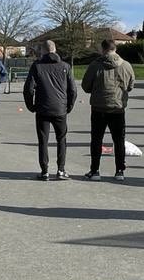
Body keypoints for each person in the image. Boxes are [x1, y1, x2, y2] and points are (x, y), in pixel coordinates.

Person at [23, 40, 78, 180]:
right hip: (60, 109)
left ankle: (45, 171)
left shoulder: (37, 66)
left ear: (43, 51)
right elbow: (73, 90)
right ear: (55, 50)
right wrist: (69, 106)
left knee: (43, 140)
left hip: (42, 108)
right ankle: (61, 170)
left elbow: (28, 89)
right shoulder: (65, 66)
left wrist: (31, 106)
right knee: (61, 139)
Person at [81, 39, 135, 180]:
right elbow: (130, 86)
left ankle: (95, 170)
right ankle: (119, 171)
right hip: (117, 108)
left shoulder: (95, 65)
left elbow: (86, 86)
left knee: (96, 140)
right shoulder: (126, 66)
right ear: (115, 48)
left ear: (103, 49)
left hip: (99, 107)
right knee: (119, 140)